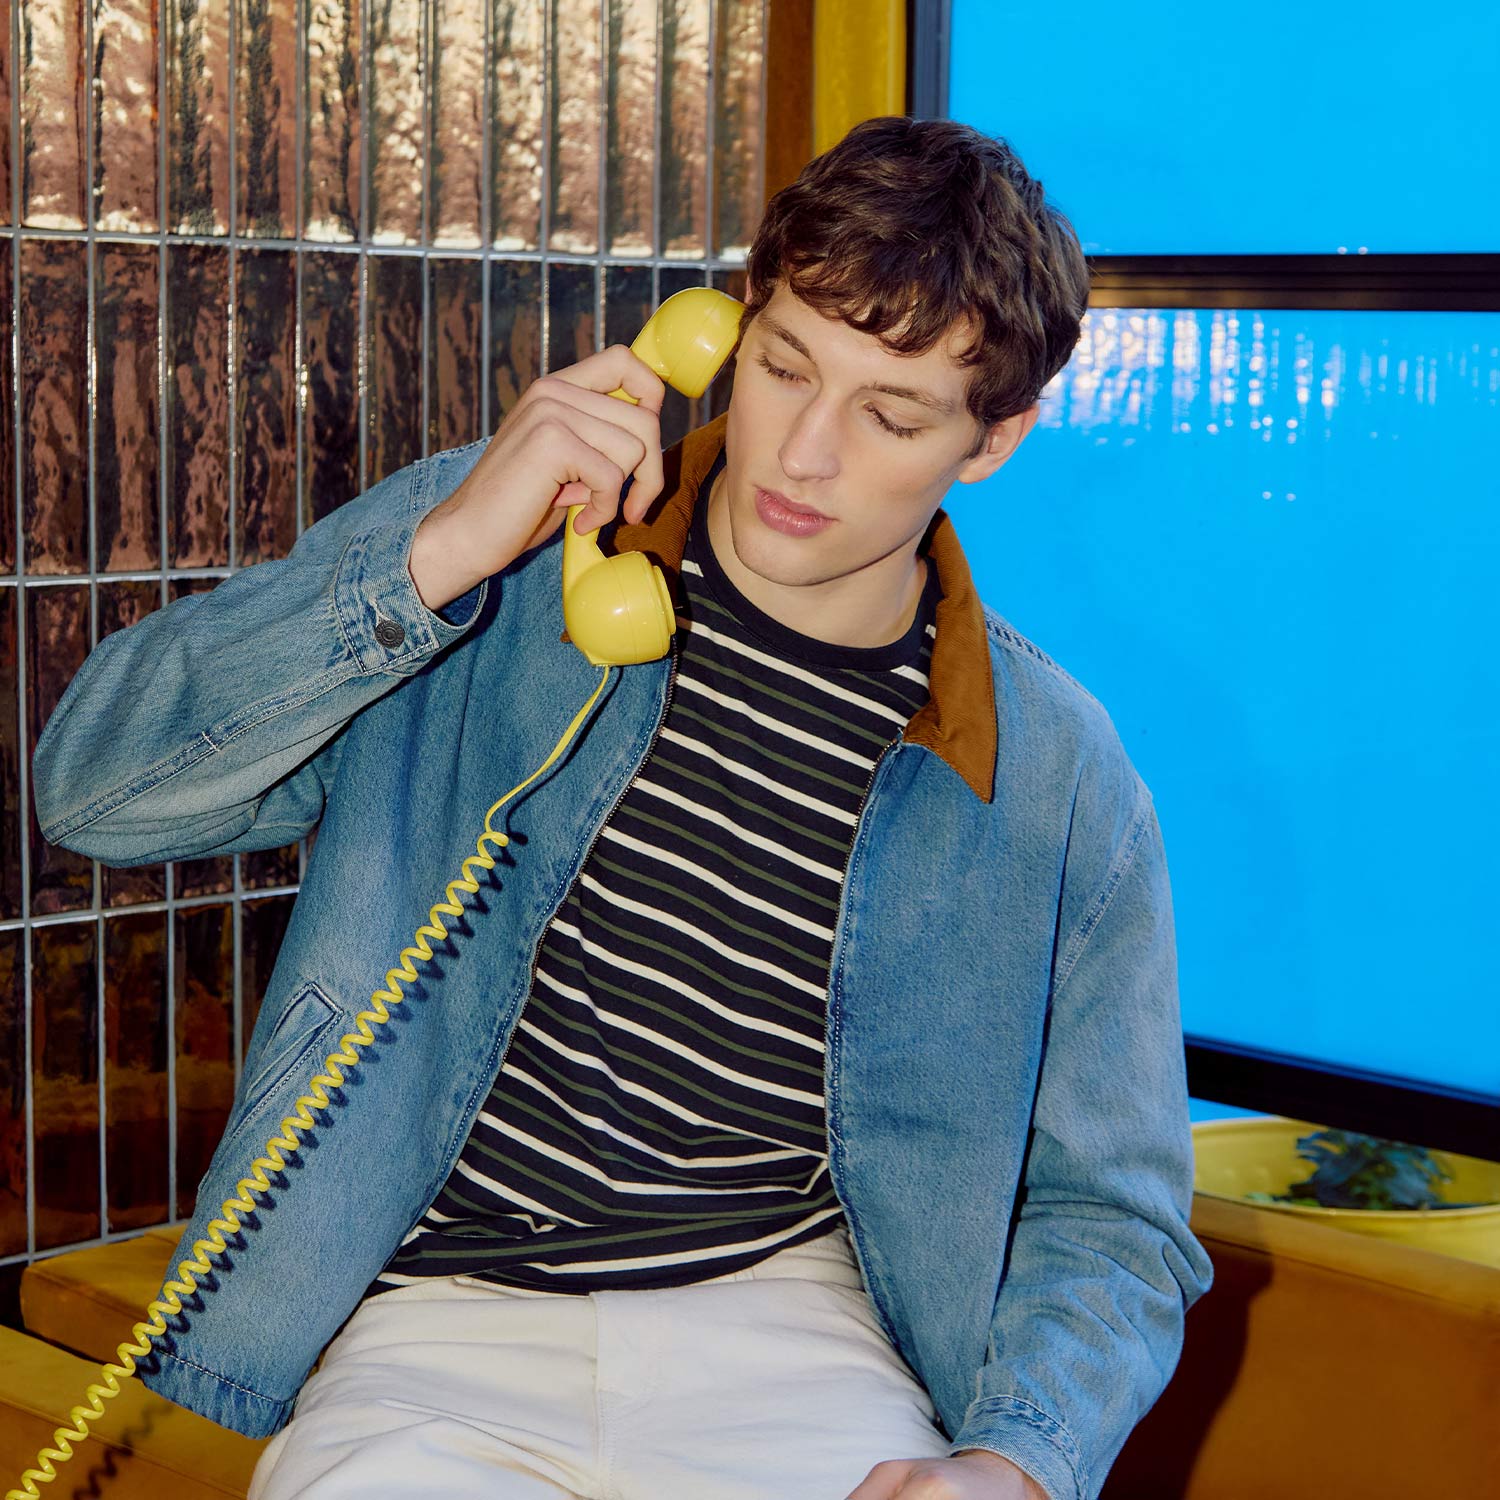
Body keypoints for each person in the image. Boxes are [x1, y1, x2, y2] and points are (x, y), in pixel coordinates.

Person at [32, 116, 1213, 1500]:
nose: (805, 455)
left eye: (889, 415)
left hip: (795, 1335)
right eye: (784, 367)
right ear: (724, 328)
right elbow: (97, 791)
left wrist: (1017, 1463)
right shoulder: (514, 550)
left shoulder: (1060, 781)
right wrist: (445, 555)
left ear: (993, 441)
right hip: (441, 1331)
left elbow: (1115, 1217)